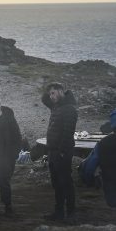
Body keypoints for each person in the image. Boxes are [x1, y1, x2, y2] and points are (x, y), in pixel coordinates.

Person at [41, 82, 78, 221]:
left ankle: (71, 213)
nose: (51, 96)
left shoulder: (69, 109)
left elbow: (68, 132)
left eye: (54, 93)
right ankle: (59, 212)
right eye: (50, 93)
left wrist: (62, 151)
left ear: (61, 92)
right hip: (52, 151)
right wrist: (50, 87)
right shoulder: (56, 107)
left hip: (62, 152)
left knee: (66, 182)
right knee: (56, 183)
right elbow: (43, 99)